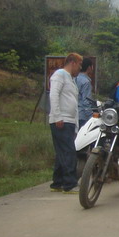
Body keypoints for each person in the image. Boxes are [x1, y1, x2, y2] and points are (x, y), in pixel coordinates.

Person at [48, 53, 82, 193]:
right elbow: (54, 95)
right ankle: (69, 184)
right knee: (69, 152)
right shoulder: (60, 75)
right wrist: (57, 116)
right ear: (73, 62)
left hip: (69, 120)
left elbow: (72, 102)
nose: (80, 68)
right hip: (62, 119)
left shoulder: (71, 79)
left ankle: (58, 182)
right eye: (79, 65)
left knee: (62, 152)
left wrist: (76, 126)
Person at [76, 57, 95, 127]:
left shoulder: (74, 78)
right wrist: (91, 117)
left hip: (74, 114)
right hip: (82, 115)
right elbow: (86, 101)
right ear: (89, 67)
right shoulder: (86, 82)